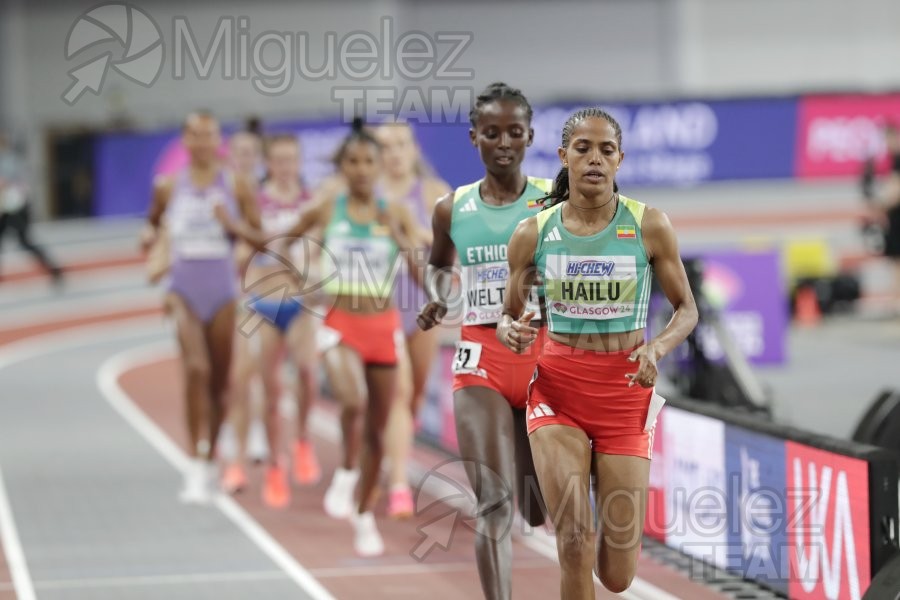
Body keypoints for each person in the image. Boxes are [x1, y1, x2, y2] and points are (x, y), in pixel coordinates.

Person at [498, 107, 698, 597]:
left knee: (616, 575)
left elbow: (687, 311)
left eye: (606, 150)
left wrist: (658, 346)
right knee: (574, 540)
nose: (594, 159)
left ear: (620, 159)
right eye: (582, 149)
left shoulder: (649, 225)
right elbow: (508, 312)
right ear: (564, 156)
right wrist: (511, 329)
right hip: (557, 393)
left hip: (625, 396)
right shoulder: (533, 233)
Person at [217, 119, 422, 556]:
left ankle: (363, 514)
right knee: (355, 401)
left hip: (383, 326)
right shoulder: (329, 207)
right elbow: (281, 240)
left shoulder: (394, 211)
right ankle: (347, 472)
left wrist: (436, 290)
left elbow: (415, 260)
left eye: (370, 161)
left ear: (380, 166)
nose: (363, 169)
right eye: (354, 161)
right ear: (343, 167)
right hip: (341, 323)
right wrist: (249, 239)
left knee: (378, 428)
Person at [416, 82, 549, 600]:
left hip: (543, 360)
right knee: (493, 502)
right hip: (481, 360)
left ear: (529, 136)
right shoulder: (452, 209)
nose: (503, 143)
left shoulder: (552, 201)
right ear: (474, 138)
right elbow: (436, 265)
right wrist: (435, 298)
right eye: (491, 133)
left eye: (514, 132)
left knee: (536, 508)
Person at [141, 111, 261, 504]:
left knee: (219, 385)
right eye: (194, 135)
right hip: (182, 291)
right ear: (185, 141)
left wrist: (231, 225)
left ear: (217, 141)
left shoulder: (237, 184)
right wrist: (153, 247)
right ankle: (196, 464)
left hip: (223, 293)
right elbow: (153, 225)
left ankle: (211, 456)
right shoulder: (168, 186)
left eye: (209, 135)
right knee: (196, 369)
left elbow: (260, 239)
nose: (202, 142)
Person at [224, 133, 322, 507]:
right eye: (277, 161)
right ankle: (274, 469)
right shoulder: (255, 202)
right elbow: (243, 253)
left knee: (309, 373)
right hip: (262, 304)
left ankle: (301, 442)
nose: (284, 168)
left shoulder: (311, 203)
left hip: (299, 302)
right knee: (266, 389)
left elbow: (315, 251)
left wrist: (302, 265)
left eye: (290, 160)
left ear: (299, 163)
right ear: (269, 165)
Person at [374, 122, 451, 518]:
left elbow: (450, 248)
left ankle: (392, 447)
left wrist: (414, 230)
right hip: (378, 309)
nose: (394, 153)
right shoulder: (365, 196)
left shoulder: (433, 192)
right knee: (398, 394)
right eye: (385, 146)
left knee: (415, 393)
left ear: (413, 148)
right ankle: (399, 483)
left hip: (421, 306)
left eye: (400, 144)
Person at [0, 133, 63, 284]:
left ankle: (53, 269)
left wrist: (8, 186)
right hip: (4, 208)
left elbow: (21, 184)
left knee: (25, 241)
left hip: (17, 208)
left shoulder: (12, 160)